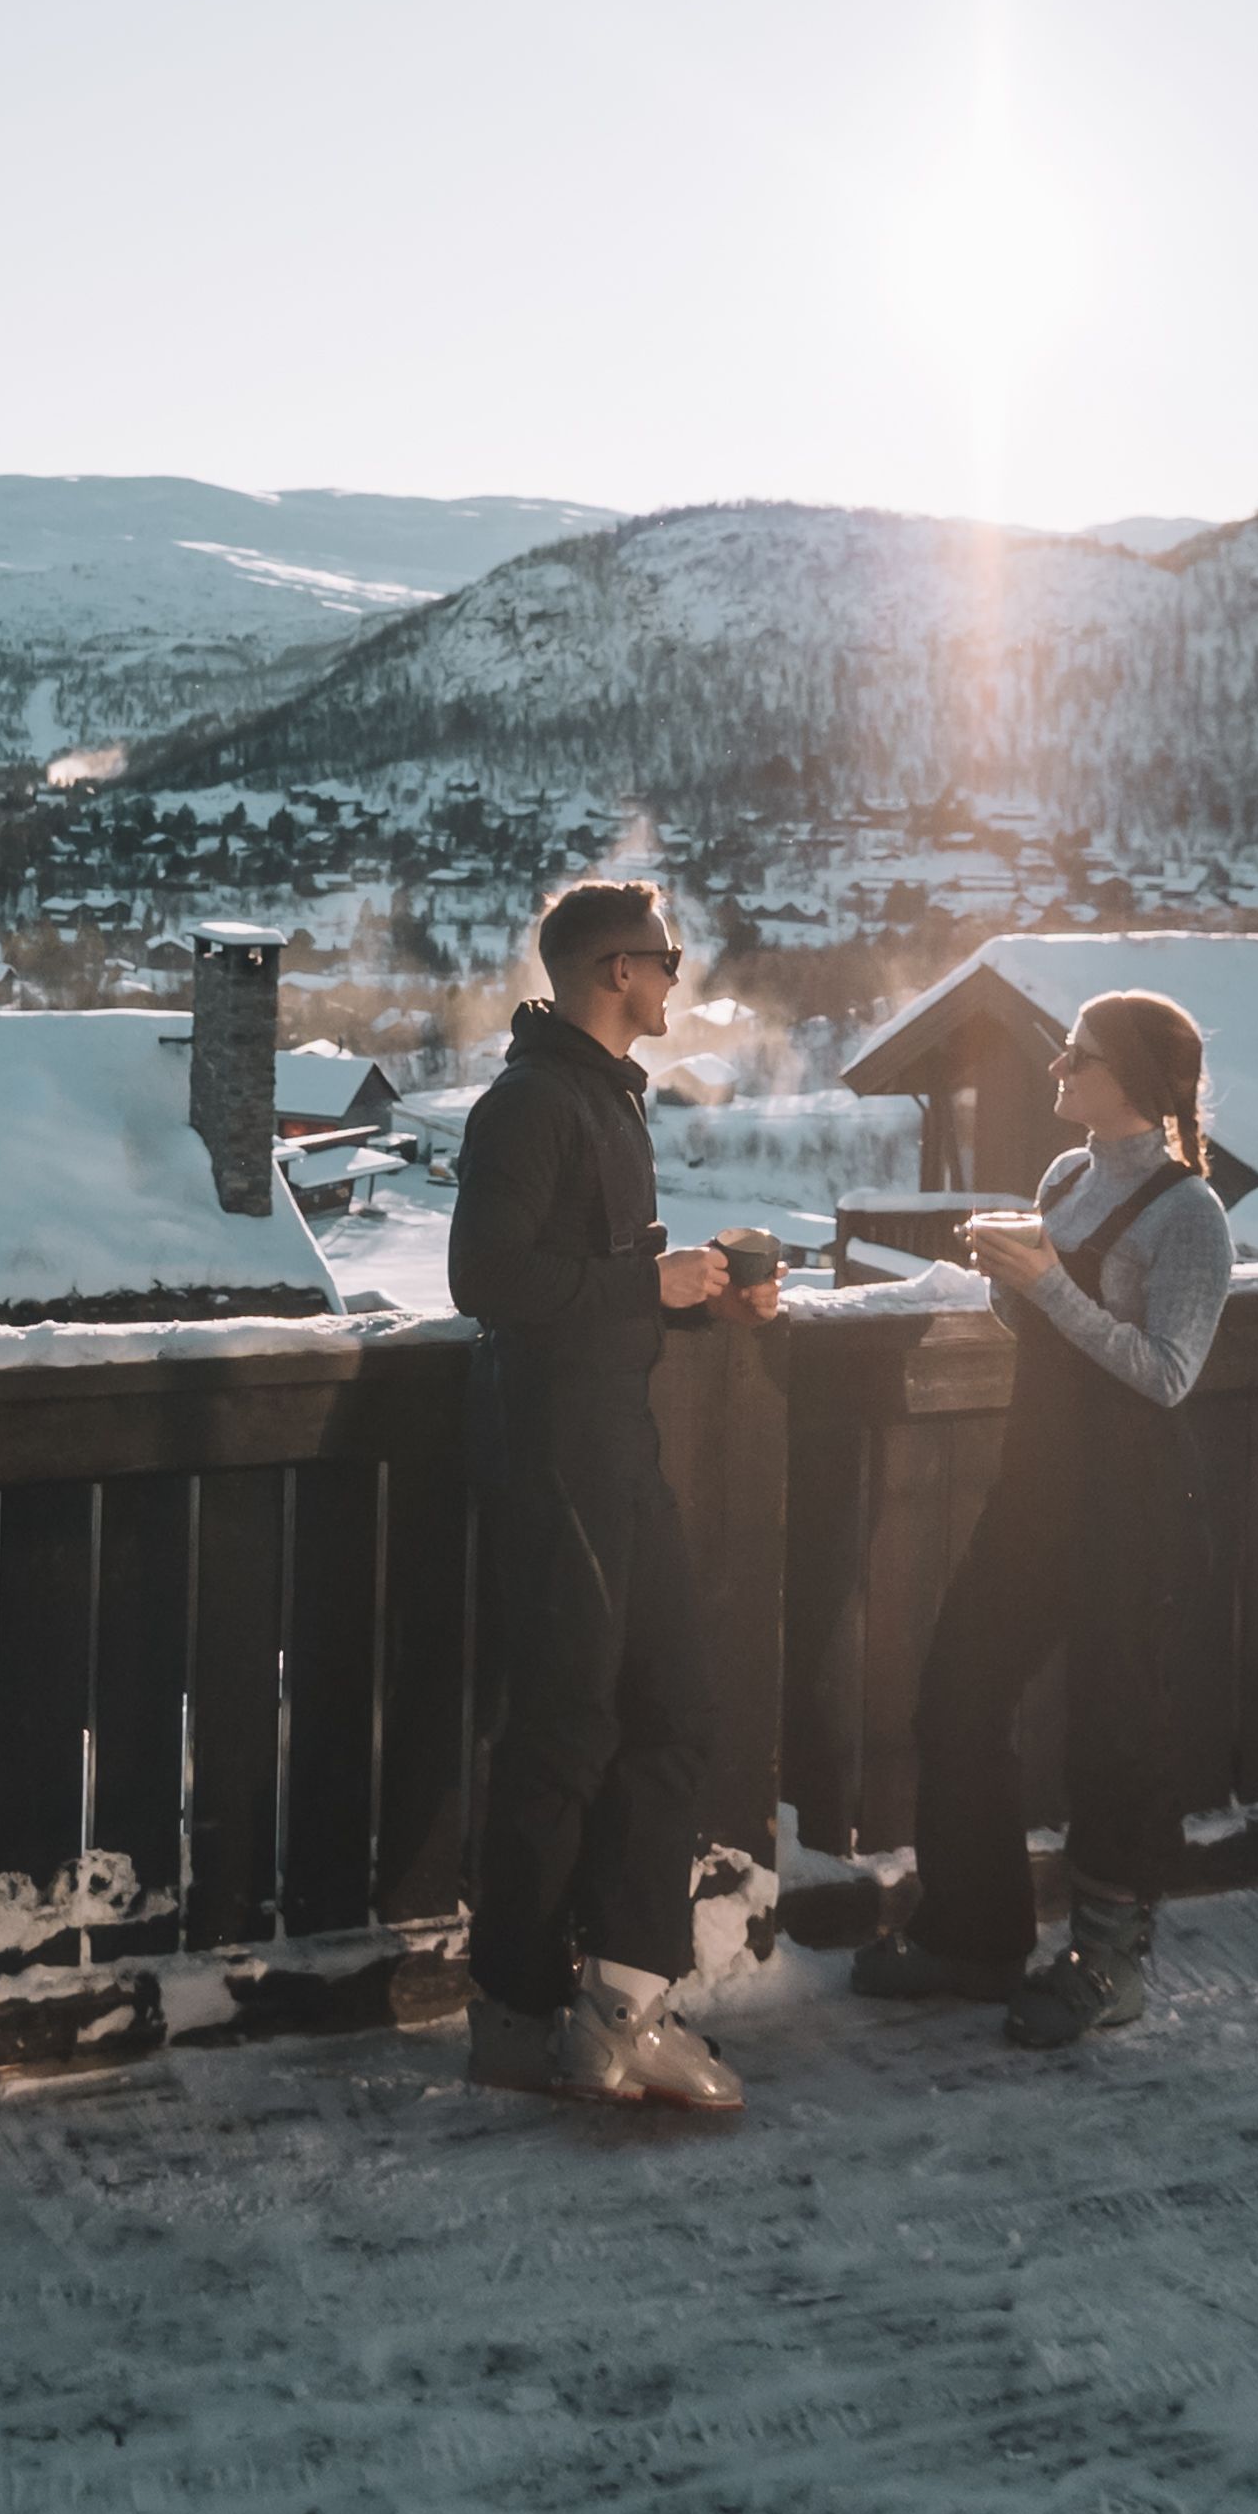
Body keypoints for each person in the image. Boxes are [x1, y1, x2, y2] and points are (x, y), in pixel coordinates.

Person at [451, 875, 784, 2113]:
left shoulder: (602, 1102)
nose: (677, 975)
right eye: (664, 957)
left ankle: (625, 2001)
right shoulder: (533, 1105)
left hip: (611, 1446)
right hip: (559, 1457)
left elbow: (583, 1292)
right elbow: (487, 1276)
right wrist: (649, 1290)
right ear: (610, 973)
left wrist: (697, 1301)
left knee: (674, 1710)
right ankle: (521, 2013)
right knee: (568, 1728)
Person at [859, 987, 1233, 2051]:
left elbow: (1166, 1374)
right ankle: (975, 1936)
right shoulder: (1066, 1176)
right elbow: (1033, 1326)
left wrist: (1052, 1284)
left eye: (1080, 1055)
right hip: (1039, 1491)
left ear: (1140, 1081)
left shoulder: (1190, 1214)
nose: (1059, 1068)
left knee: (1118, 1733)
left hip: (1135, 1510)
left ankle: (1111, 1960)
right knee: (957, 1692)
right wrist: (1009, 1278)